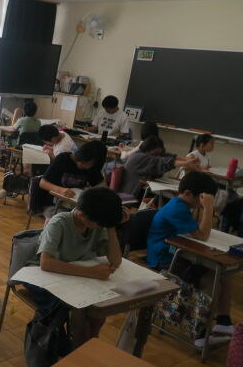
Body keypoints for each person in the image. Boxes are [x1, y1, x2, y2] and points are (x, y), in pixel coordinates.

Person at [26, 187, 125, 348]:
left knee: (98, 307)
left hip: (72, 276)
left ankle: (89, 342)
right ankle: (77, 348)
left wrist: (111, 227)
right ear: (81, 215)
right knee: (79, 308)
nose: (101, 227)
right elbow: (46, 263)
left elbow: (116, 261)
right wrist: (91, 272)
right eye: (101, 224)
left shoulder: (97, 224)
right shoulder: (59, 223)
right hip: (42, 278)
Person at [146, 171, 235, 346]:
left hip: (178, 254)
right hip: (164, 259)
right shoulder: (177, 208)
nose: (201, 203)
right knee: (212, 282)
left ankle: (223, 323)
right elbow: (202, 235)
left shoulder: (182, 205)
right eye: (201, 199)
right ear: (188, 193)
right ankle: (200, 333)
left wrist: (205, 208)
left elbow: (199, 231)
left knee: (224, 277)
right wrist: (208, 208)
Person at [120, 136, 198, 198]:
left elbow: (165, 156)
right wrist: (185, 163)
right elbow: (159, 161)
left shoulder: (143, 153)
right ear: (149, 149)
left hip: (139, 189)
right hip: (130, 194)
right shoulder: (139, 157)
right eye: (156, 154)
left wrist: (186, 159)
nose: (158, 156)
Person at [40, 140, 108, 204]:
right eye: (81, 160)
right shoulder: (63, 159)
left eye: (86, 163)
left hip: (75, 204)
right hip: (55, 201)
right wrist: (60, 190)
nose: (81, 164)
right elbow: (42, 183)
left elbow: (103, 189)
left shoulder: (92, 169)